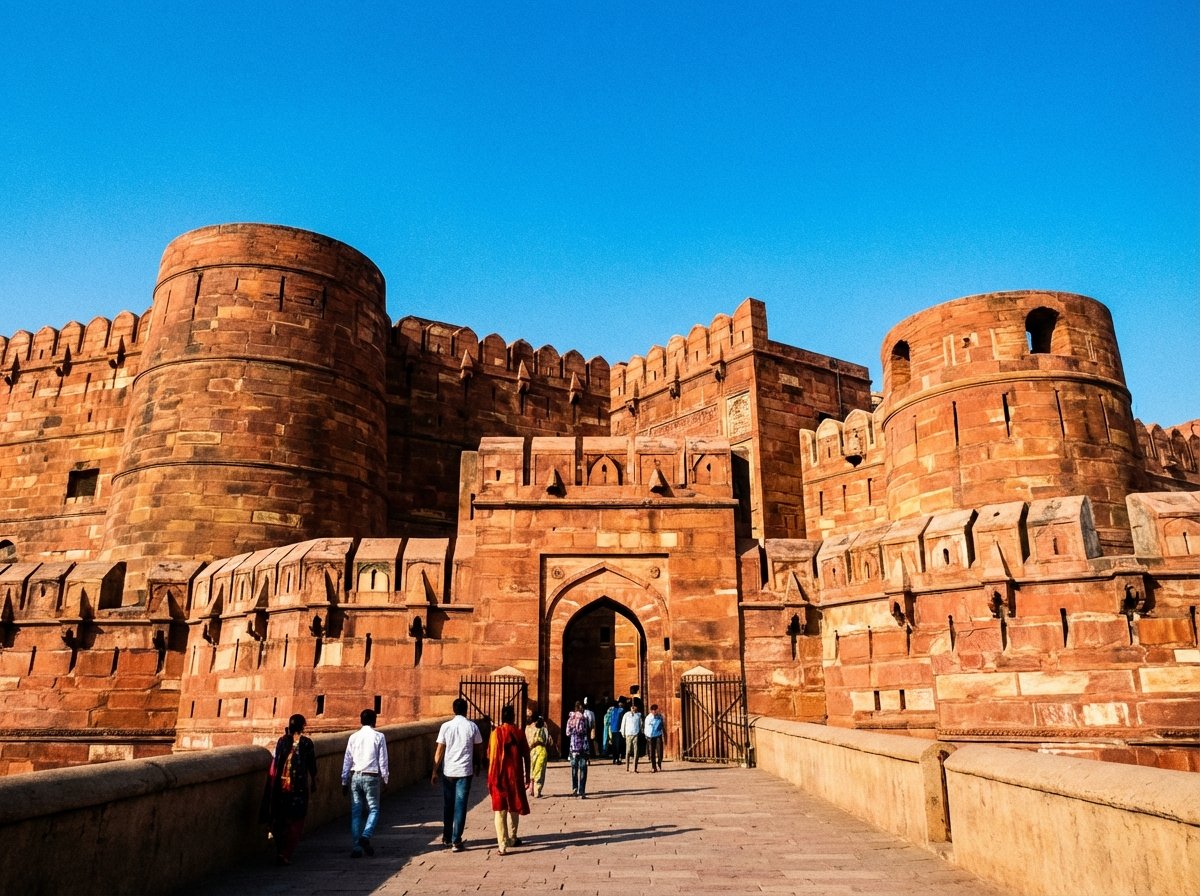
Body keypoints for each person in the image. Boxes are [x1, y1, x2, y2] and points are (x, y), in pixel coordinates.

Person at [265, 713, 317, 866]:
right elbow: (311, 765)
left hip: (281, 787)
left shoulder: (282, 740)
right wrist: (314, 781)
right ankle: (285, 853)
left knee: (281, 818)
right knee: (296, 820)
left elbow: (277, 760)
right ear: (303, 726)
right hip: (298, 788)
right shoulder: (306, 743)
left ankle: (280, 850)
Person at [432, 697, 483, 852]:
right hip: (465, 771)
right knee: (460, 806)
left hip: (449, 771)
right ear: (466, 709)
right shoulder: (472, 726)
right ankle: (456, 840)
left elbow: (439, 750)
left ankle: (447, 837)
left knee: (448, 805)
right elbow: (478, 748)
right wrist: (478, 765)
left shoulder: (446, 726)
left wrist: (434, 771)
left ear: (453, 710)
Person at [341, 708, 389, 858]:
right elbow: (383, 759)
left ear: (361, 721)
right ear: (374, 720)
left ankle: (357, 847)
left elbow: (347, 759)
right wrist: (386, 778)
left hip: (355, 776)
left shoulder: (353, 737)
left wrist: (344, 780)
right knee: (373, 809)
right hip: (371, 776)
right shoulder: (379, 736)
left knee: (356, 813)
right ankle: (365, 836)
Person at [487, 704, 531, 855]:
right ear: (513, 717)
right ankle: (513, 837)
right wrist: (528, 776)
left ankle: (502, 845)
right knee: (514, 807)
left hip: (498, 776)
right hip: (515, 776)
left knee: (500, 811)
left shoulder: (495, 734)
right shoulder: (518, 733)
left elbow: (490, 755)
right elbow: (527, 755)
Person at [565, 701, 590, 798]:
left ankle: (574, 788)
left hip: (573, 747)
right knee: (583, 769)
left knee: (574, 769)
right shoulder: (584, 719)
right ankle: (582, 791)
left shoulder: (570, 719)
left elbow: (567, 733)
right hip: (583, 747)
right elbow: (584, 732)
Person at [526, 715, 551, 798]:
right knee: (539, 771)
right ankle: (537, 791)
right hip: (541, 750)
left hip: (531, 751)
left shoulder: (528, 729)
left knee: (532, 770)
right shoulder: (544, 729)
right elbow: (549, 741)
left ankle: (531, 789)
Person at [621, 701, 643, 771]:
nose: (633, 708)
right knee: (628, 751)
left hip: (635, 734)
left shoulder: (638, 715)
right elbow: (623, 724)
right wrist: (623, 733)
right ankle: (627, 767)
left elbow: (641, 725)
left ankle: (635, 768)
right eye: (632, 707)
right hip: (628, 734)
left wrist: (640, 732)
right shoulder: (626, 715)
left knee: (636, 751)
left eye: (634, 706)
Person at [644, 703, 665, 772]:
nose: (654, 712)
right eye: (652, 710)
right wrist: (647, 736)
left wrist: (664, 735)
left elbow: (663, 726)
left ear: (657, 710)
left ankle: (659, 763)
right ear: (651, 711)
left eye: (655, 710)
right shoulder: (648, 718)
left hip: (658, 735)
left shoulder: (660, 716)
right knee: (652, 752)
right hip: (650, 736)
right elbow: (646, 728)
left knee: (660, 751)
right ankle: (654, 767)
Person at [609, 697, 626, 764]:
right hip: (619, 729)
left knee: (614, 745)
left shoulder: (612, 711)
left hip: (613, 729)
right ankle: (618, 758)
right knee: (619, 745)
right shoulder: (621, 710)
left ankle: (614, 758)